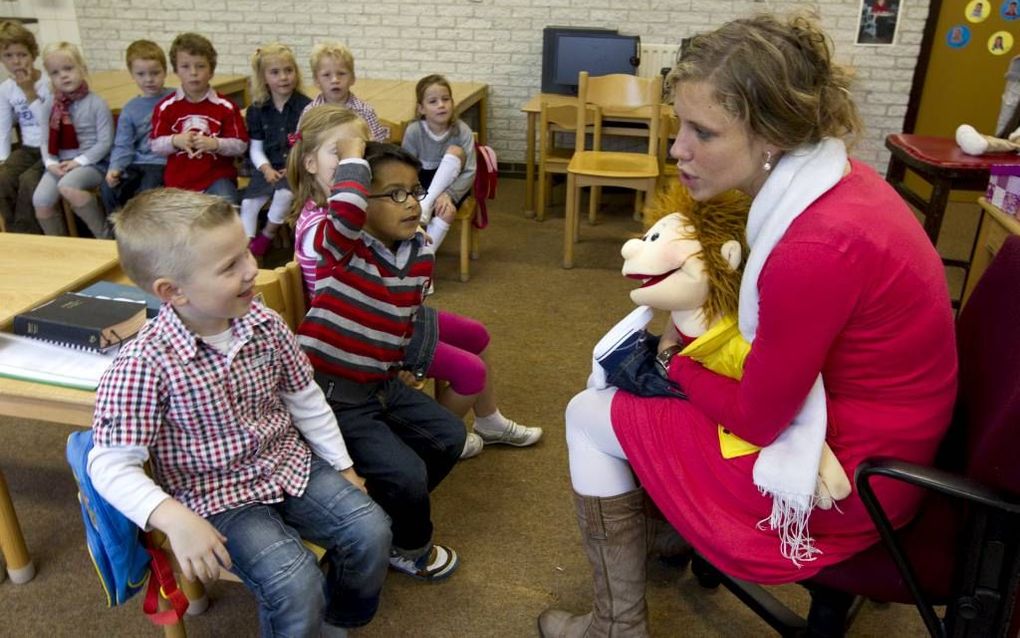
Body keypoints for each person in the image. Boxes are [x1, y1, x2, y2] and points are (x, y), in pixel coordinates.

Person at [538, 13, 957, 637]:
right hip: (894, 434)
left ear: (773, 139)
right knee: (657, 385)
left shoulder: (815, 246)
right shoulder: (843, 182)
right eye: (680, 123)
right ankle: (669, 531)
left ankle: (614, 627)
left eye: (703, 131)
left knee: (587, 413)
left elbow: (761, 419)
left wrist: (678, 359)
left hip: (854, 479)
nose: (677, 147)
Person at [87, 187, 392, 637]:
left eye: (246, 252)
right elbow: (108, 464)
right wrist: (172, 517)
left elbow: (304, 397)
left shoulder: (264, 323)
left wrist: (343, 466)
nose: (252, 270)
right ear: (173, 292)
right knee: (294, 582)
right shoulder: (142, 365)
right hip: (214, 495)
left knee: (373, 531)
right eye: (230, 266)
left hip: (287, 463)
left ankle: (334, 620)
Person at [288, 105, 542, 461]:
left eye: (361, 152)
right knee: (471, 372)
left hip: (391, 309)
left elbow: (409, 263)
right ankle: (428, 439)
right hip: (365, 331)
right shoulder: (329, 222)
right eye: (342, 154)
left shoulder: (355, 209)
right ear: (310, 163)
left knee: (477, 335)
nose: (356, 164)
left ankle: (489, 419)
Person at [293, 136, 466, 582]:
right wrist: (352, 153)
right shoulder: (342, 246)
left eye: (414, 192)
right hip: (331, 392)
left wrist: (407, 361)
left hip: (380, 382)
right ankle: (411, 547)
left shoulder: (421, 249)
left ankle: (383, 512)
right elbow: (346, 210)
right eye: (393, 194)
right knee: (406, 473)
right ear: (360, 204)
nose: (410, 203)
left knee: (449, 436)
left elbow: (407, 312)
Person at [150, 32, 248, 203]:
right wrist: (175, 140)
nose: (193, 73)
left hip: (217, 178)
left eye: (200, 66)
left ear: (211, 70)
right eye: (185, 67)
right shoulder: (166, 107)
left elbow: (240, 145)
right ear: (176, 70)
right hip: (178, 181)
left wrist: (215, 144)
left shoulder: (225, 107)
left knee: (226, 209)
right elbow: (155, 145)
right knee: (173, 220)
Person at [33, 42, 112, 237]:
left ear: (82, 69)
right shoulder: (50, 104)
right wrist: (50, 162)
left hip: (93, 163)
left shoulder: (96, 103)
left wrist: (78, 162)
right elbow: (44, 139)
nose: (63, 75)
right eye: (55, 72)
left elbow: (105, 142)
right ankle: (59, 246)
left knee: (67, 187)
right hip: (59, 163)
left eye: (68, 68)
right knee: (40, 201)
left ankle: (104, 237)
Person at [242, 42, 310, 257]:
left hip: (295, 167)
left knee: (284, 193)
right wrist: (266, 169)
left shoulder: (305, 106)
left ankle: (268, 234)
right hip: (268, 168)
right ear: (263, 78)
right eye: (275, 72)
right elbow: (256, 147)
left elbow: (306, 144)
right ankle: (245, 248)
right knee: (248, 202)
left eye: (288, 71)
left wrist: (291, 166)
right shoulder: (257, 109)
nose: (283, 77)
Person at [100, 40, 173, 214]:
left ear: (165, 71)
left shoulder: (175, 98)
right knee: (108, 189)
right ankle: (116, 229)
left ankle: (142, 233)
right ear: (132, 75)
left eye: (155, 73)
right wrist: (115, 168)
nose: (148, 79)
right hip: (137, 162)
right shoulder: (130, 108)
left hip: (162, 162)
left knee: (145, 194)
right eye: (141, 74)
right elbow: (123, 144)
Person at [401, 74, 475, 225]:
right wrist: (419, 195)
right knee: (403, 211)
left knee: (447, 212)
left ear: (452, 102)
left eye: (446, 99)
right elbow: (406, 169)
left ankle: (428, 249)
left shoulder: (462, 130)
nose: (441, 105)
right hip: (420, 185)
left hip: (452, 186)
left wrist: (449, 195)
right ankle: (425, 205)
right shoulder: (414, 131)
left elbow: (470, 171)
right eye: (433, 101)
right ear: (421, 108)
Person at [0, 20, 49, 234]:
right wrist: (3, 159)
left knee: (28, 181)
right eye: (8, 56)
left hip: (51, 148)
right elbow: (3, 124)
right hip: (29, 148)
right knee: (4, 178)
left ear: (33, 54)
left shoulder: (47, 82)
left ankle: (27, 234)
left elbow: (49, 123)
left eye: (21, 54)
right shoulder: (6, 89)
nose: (16, 62)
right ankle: (13, 234)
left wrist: (29, 92)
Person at [300, 42, 387, 142]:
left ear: (353, 78)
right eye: (327, 75)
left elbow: (378, 145)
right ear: (316, 81)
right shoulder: (309, 113)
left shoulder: (365, 111)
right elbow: (300, 146)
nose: (335, 80)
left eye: (341, 73)